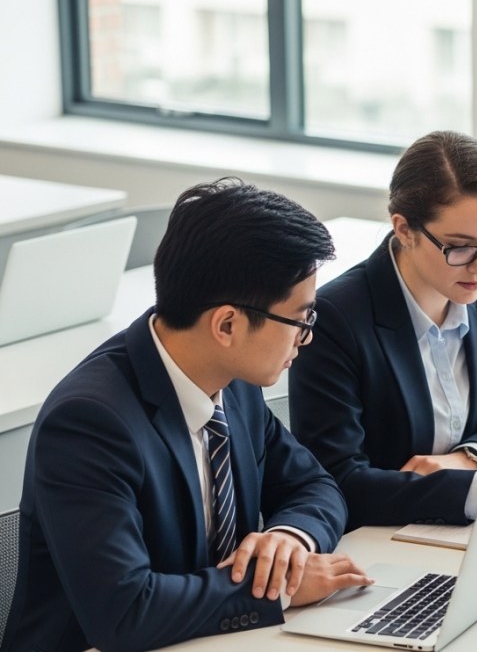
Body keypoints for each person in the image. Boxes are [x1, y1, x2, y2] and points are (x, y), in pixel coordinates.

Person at [3, 179, 372, 652]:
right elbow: (125, 611)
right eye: (300, 321)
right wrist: (278, 589)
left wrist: (289, 541)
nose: (307, 337)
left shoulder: (233, 378)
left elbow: (314, 485)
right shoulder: (89, 423)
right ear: (227, 325)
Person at [290, 130, 477, 530]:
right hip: (384, 538)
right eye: (460, 247)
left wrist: (470, 459)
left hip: (468, 531)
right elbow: (336, 481)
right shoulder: (338, 318)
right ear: (404, 229)